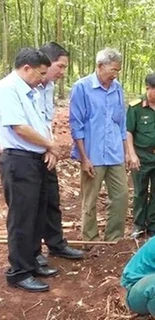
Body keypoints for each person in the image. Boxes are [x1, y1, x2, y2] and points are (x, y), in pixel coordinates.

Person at [0, 48, 58, 292]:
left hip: (37, 158)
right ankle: (19, 271)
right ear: (26, 68)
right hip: (19, 159)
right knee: (22, 217)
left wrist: (49, 148)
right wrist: (50, 144)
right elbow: (19, 128)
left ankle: (33, 259)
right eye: (40, 73)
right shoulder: (8, 89)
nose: (43, 78)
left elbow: (41, 123)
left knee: (37, 213)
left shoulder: (31, 91)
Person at [69, 48, 129, 241]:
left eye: (118, 70)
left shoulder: (117, 88)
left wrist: (126, 151)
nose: (115, 74)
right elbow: (76, 125)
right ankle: (90, 240)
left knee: (120, 196)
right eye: (112, 69)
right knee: (90, 200)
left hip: (114, 152)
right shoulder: (82, 87)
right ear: (100, 66)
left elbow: (121, 123)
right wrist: (84, 157)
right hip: (92, 154)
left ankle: (114, 239)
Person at [34, 42, 84, 267]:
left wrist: (51, 147)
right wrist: (48, 146)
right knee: (31, 206)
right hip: (27, 151)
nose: (63, 72)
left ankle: (56, 243)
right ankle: (33, 251)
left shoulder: (49, 86)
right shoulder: (27, 87)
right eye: (60, 66)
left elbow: (46, 120)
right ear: (45, 62)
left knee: (51, 199)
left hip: (46, 151)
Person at [127, 73, 155, 238]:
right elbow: (129, 132)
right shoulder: (135, 107)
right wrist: (132, 155)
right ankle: (139, 224)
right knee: (140, 191)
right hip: (142, 156)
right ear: (147, 88)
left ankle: (153, 224)